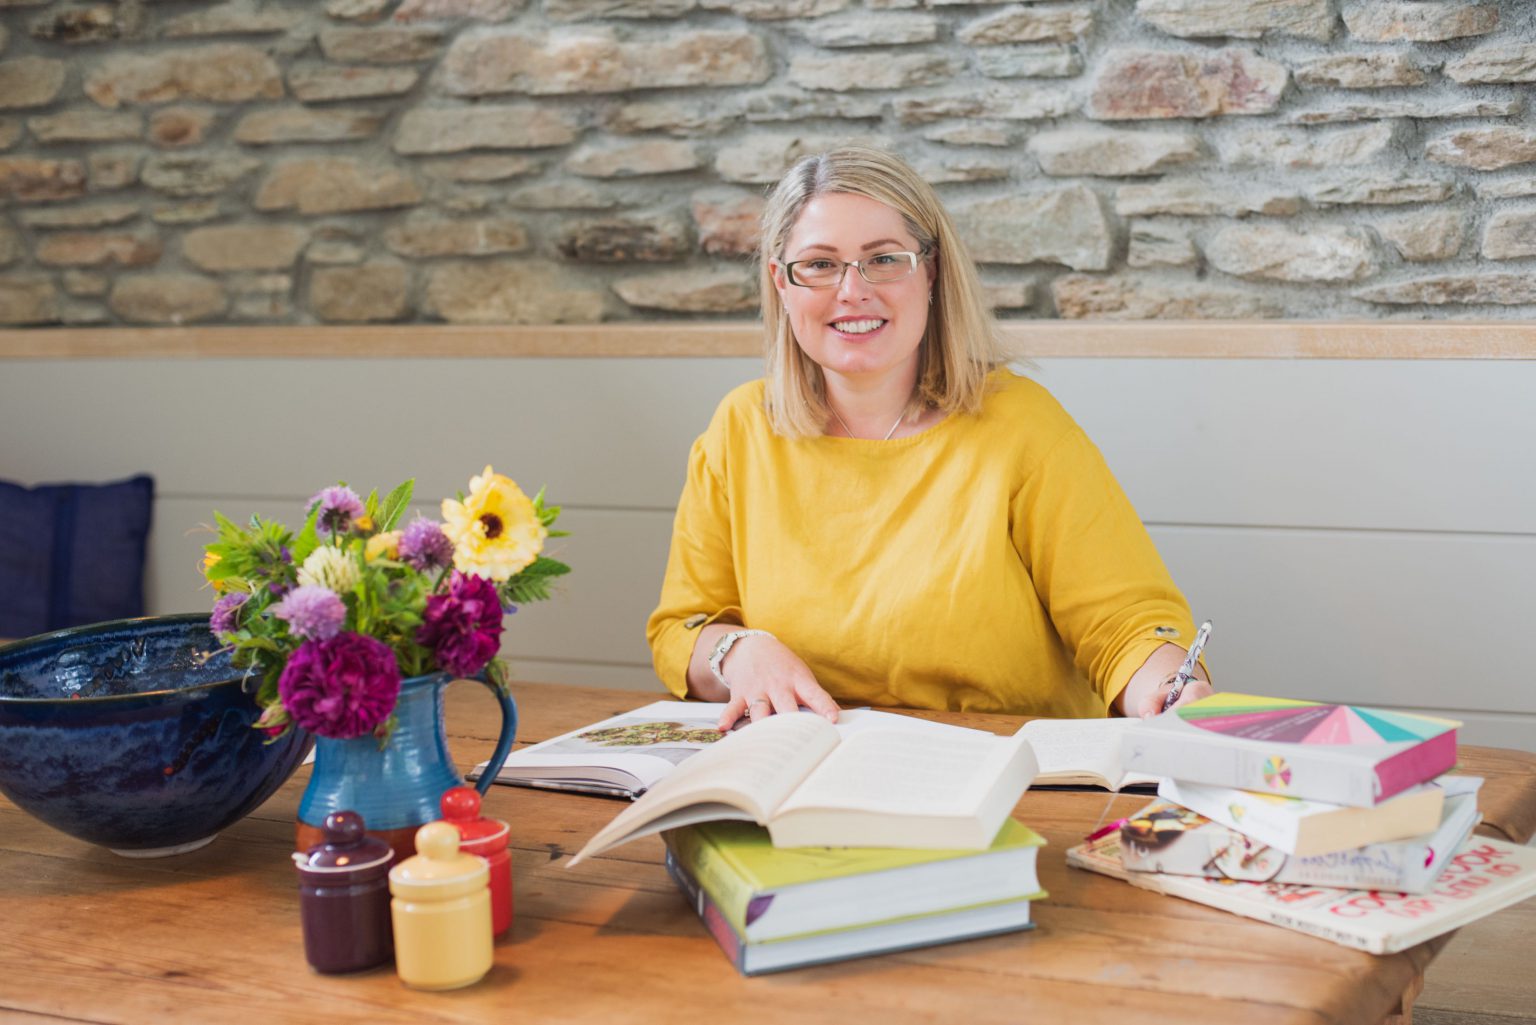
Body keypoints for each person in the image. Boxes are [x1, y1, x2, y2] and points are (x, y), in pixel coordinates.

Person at [645, 146, 1212, 730]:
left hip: (1004, 776)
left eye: (883, 259)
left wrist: (1171, 689)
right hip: (807, 771)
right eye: (819, 264)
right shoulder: (740, 428)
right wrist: (737, 652)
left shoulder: (1021, 426)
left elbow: (1124, 622)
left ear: (932, 269)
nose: (852, 290)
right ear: (780, 282)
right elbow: (681, 630)